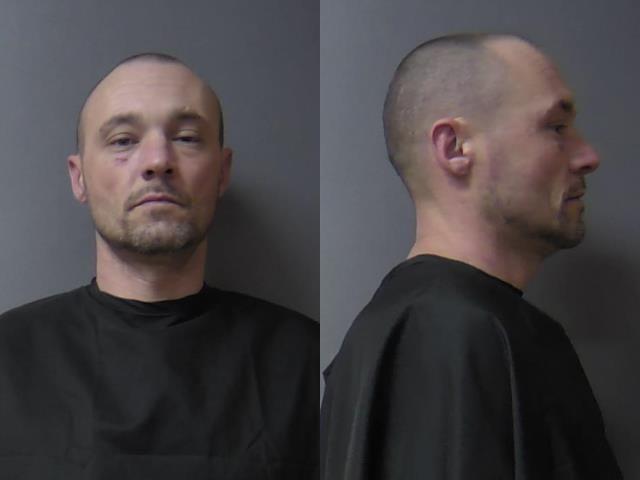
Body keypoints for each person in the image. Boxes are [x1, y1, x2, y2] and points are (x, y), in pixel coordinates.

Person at [0, 53, 318, 479]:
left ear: (222, 173)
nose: (157, 160)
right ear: (79, 177)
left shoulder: (305, 364)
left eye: (186, 138)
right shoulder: (9, 359)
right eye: (123, 141)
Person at [320, 33, 622, 479]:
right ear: (455, 148)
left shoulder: (428, 327)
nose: (588, 156)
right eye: (556, 127)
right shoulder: (450, 332)